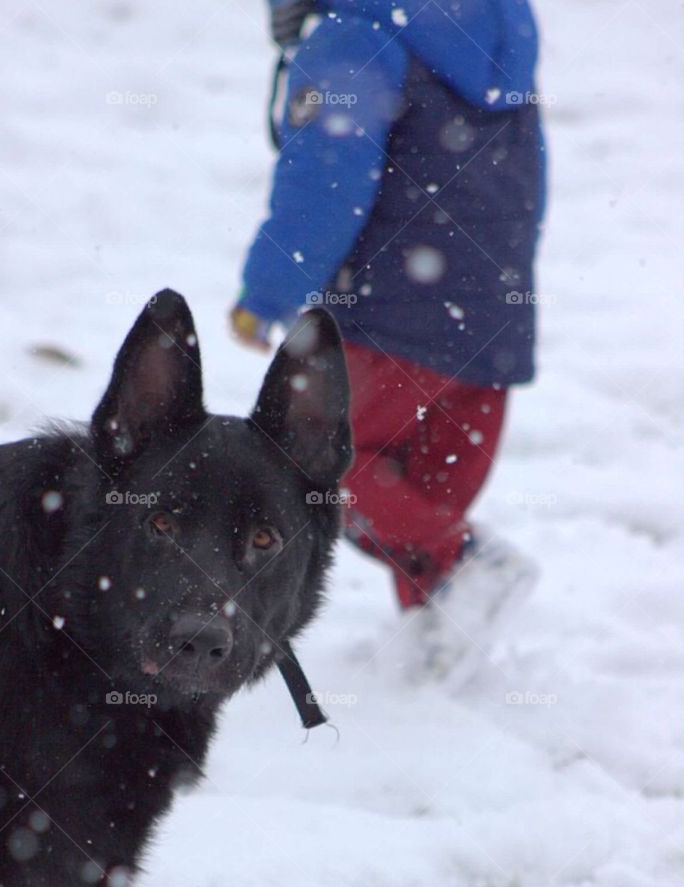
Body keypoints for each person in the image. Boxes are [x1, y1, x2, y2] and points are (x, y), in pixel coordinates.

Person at [231, 0, 546, 680]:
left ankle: (468, 563)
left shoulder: (356, 38)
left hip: (391, 314)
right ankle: (434, 655)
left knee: (317, 467)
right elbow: (530, 187)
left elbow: (326, 181)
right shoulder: (497, 36)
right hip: (487, 324)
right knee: (421, 491)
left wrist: (270, 295)